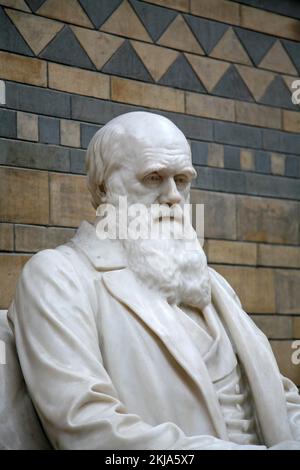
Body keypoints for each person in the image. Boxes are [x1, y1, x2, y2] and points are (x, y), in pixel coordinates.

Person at [8, 112, 300, 450]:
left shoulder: (213, 285)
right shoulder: (60, 278)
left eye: (183, 179)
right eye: (153, 178)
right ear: (104, 189)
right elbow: (89, 430)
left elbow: (281, 400)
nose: (173, 196)